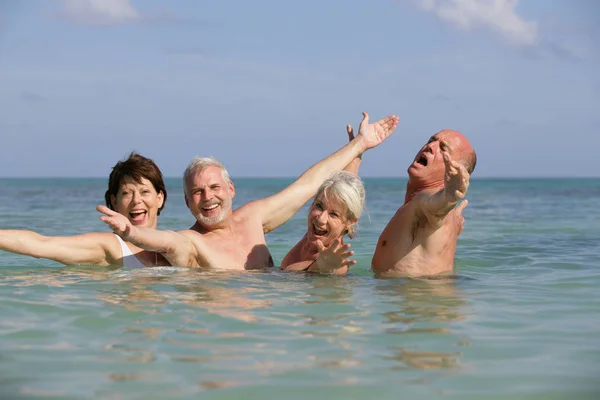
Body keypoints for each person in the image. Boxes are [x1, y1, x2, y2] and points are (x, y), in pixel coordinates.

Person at [97, 112, 399, 270]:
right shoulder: (193, 242)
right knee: (325, 253)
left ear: (231, 189)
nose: (209, 197)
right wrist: (130, 233)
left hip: (276, 311)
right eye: (198, 192)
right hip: (233, 336)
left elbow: (307, 185)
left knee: (333, 220)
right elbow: (166, 241)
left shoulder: (253, 217)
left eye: (215, 187)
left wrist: (359, 145)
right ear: (188, 201)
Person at [0, 152, 169, 267]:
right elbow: (40, 244)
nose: (136, 201)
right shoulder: (110, 247)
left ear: (159, 198)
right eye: (126, 193)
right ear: (114, 201)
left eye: (145, 191)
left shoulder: (176, 245)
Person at [371, 129, 476, 277]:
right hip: (428, 295)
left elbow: (434, 206)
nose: (431, 146)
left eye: (443, 148)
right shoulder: (443, 217)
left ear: (455, 170)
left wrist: (449, 198)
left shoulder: (426, 202)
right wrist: (358, 148)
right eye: (431, 140)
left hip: (417, 295)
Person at [281, 120, 367, 275]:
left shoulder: (335, 261)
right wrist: (356, 152)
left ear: (350, 222)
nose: (320, 219)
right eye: (319, 206)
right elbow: (345, 188)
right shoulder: (314, 235)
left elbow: (329, 267)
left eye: (334, 214)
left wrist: (323, 267)